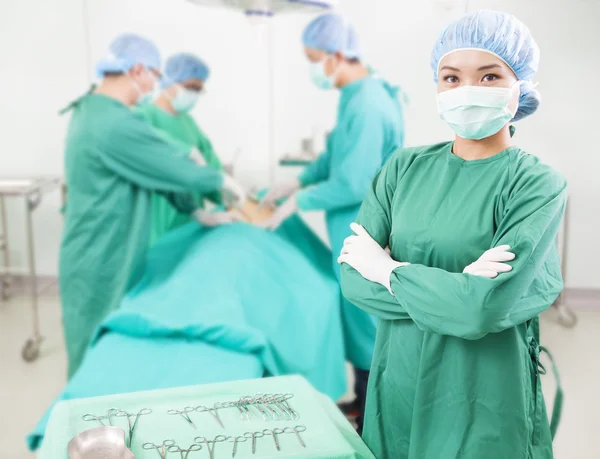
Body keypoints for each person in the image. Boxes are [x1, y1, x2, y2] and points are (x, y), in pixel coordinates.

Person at [338, 10, 566, 458]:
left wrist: (387, 269)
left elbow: (483, 309)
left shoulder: (536, 184)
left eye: (488, 76)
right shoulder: (403, 168)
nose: (466, 91)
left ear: (519, 84)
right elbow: (350, 280)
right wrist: (458, 289)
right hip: (399, 378)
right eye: (451, 77)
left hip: (482, 389)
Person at [60, 34, 245, 378]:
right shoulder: (112, 122)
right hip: (98, 253)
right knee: (94, 353)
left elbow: (147, 172)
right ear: (138, 70)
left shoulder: (97, 110)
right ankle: (87, 420)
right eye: (155, 76)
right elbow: (168, 167)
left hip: (104, 244)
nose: (154, 85)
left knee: (111, 347)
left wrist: (194, 211)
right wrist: (217, 182)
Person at [261, 13, 405, 431]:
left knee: (366, 321)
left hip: (364, 227)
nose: (313, 68)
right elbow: (334, 154)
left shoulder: (369, 103)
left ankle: (377, 411)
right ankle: (363, 401)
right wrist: (298, 180)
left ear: (338, 55)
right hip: (350, 226)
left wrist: (300, 200)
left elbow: (354, 180)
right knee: (357, 315)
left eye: (313, 58)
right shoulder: (355, 93)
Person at [136, 52, 226, 244]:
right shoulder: (143, 116)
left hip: (192, 219)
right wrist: (186, 151)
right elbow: (153, 149)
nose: (194, 94)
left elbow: (209, 163)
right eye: (190, 87)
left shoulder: (188, 122)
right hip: (157, 220)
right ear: (169, 81)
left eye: (198, 89)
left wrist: (227, 193)